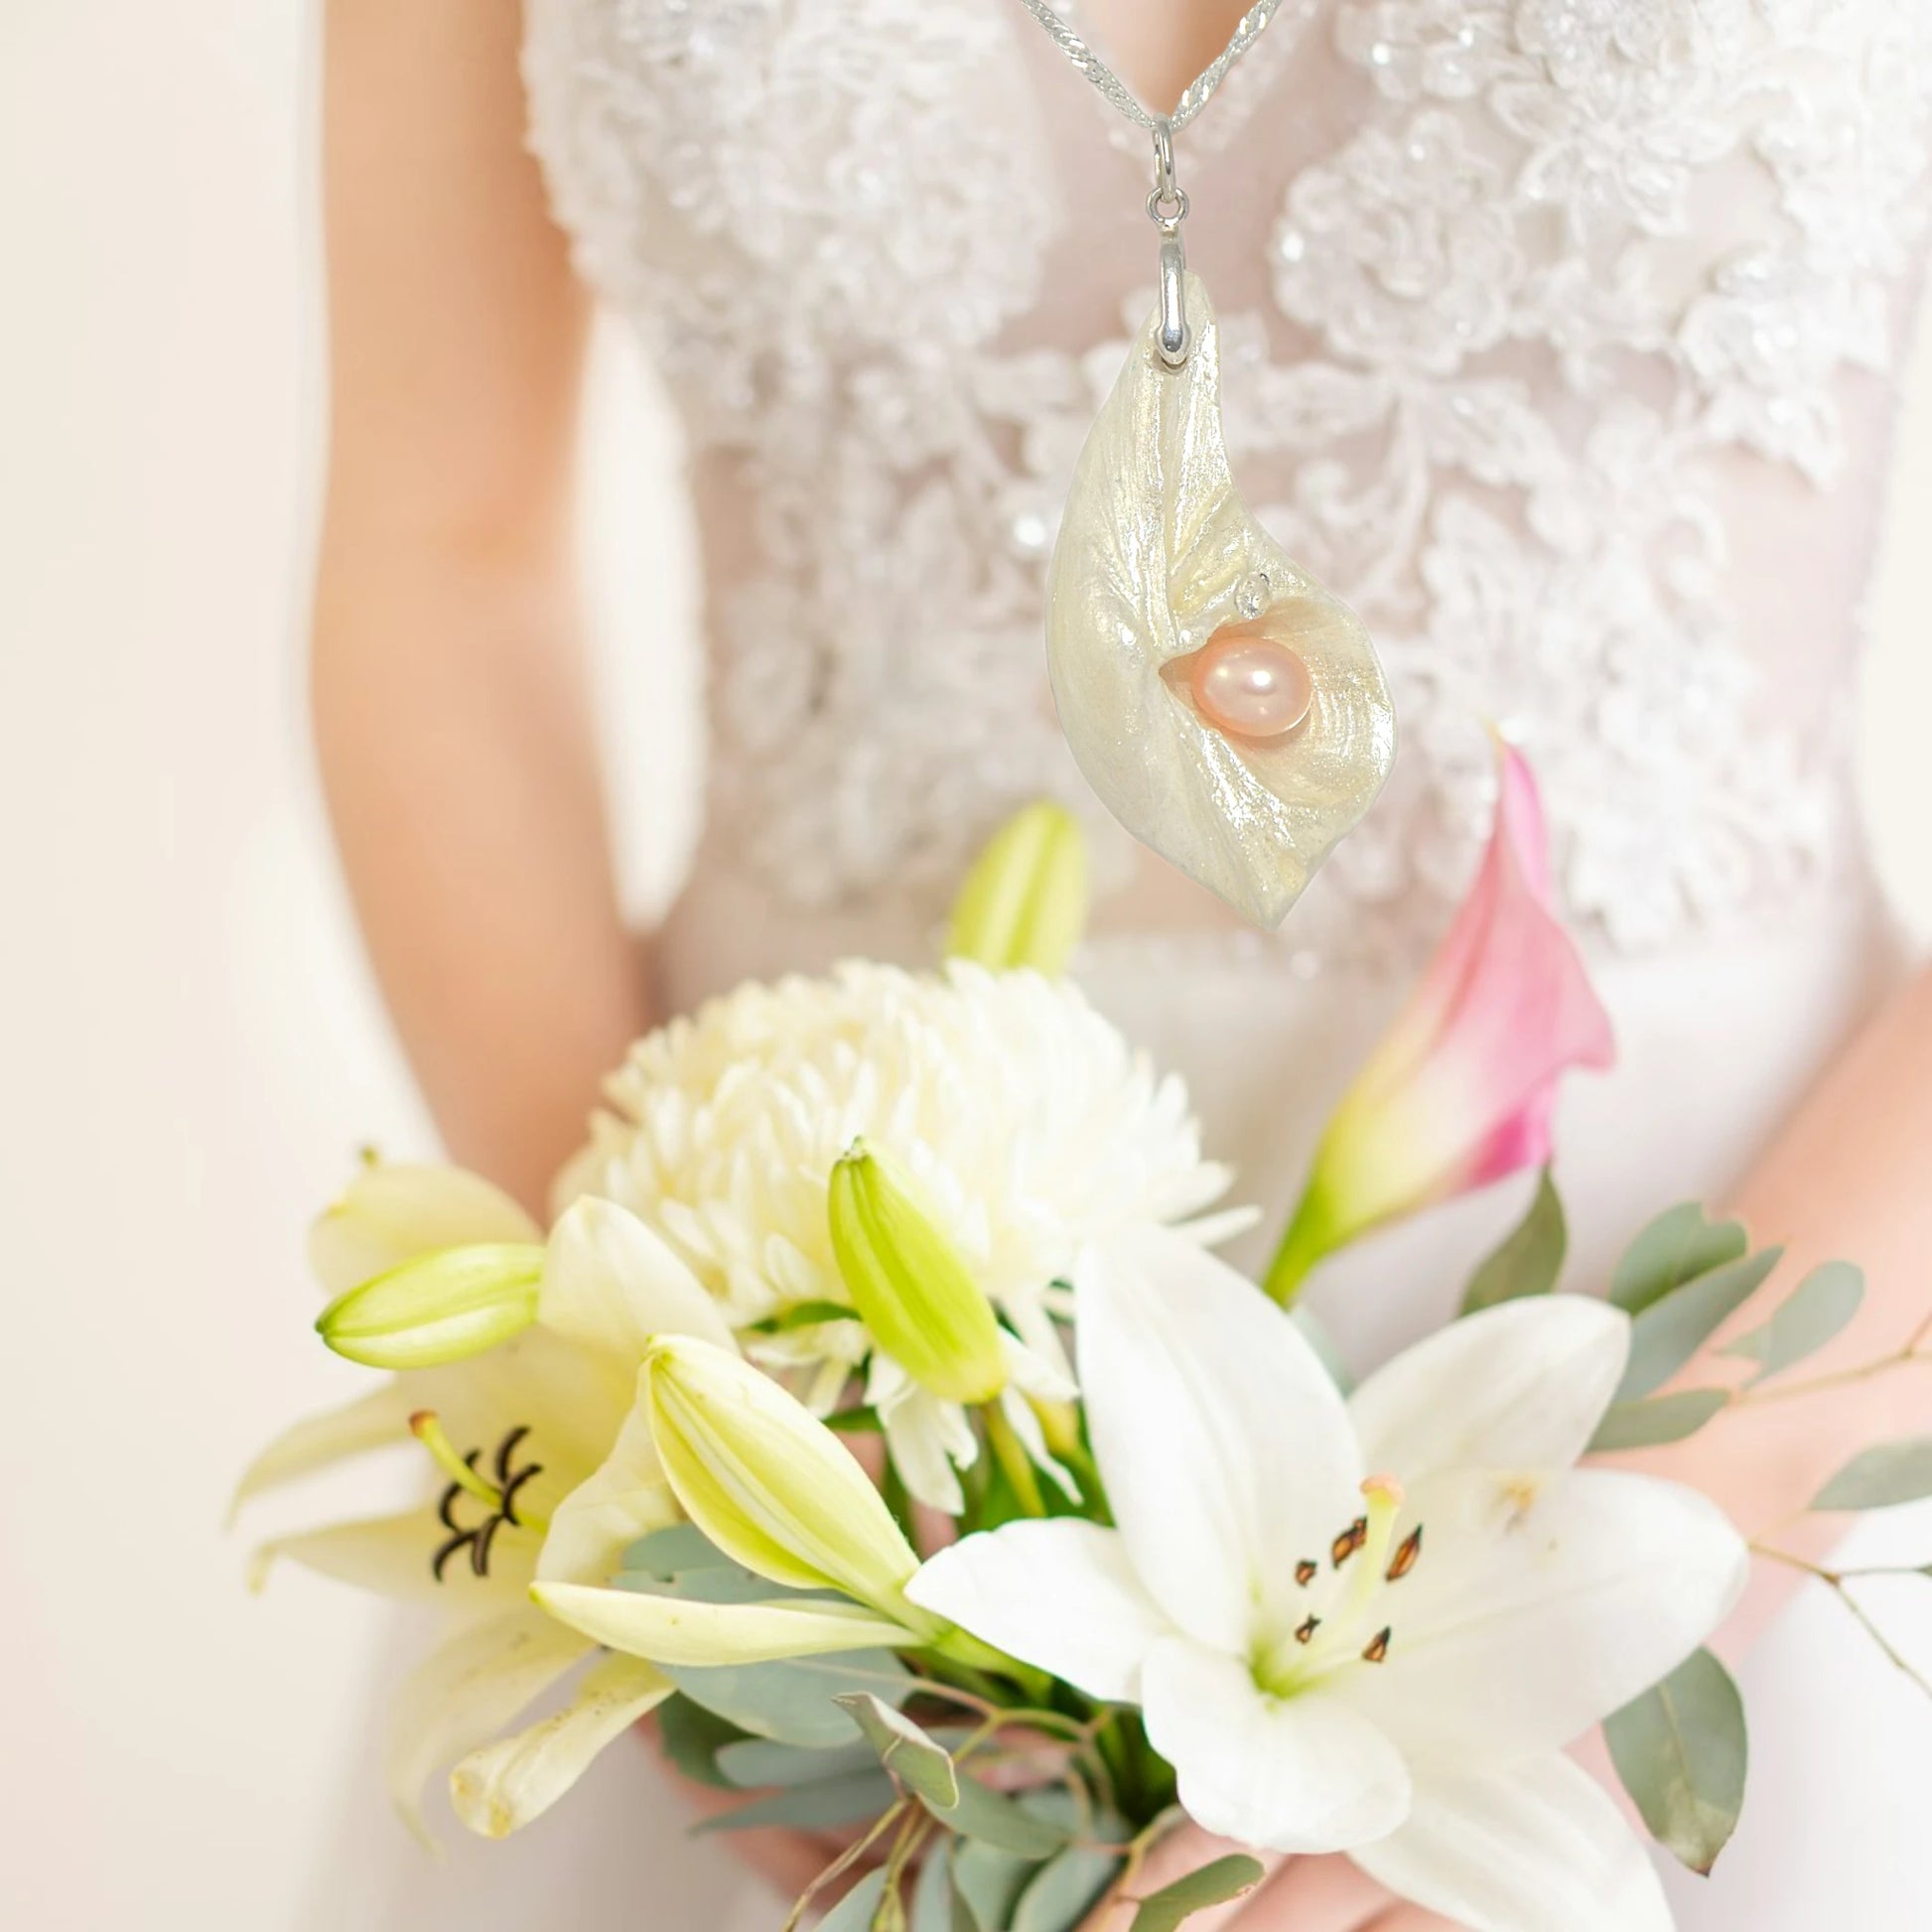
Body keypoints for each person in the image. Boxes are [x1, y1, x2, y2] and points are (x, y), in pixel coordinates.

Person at [309, 3, 1932, 1926]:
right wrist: (696, 1458)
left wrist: (1650, 1571)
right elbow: (445, 544)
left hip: (1745, 1327)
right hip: (800, 1384)